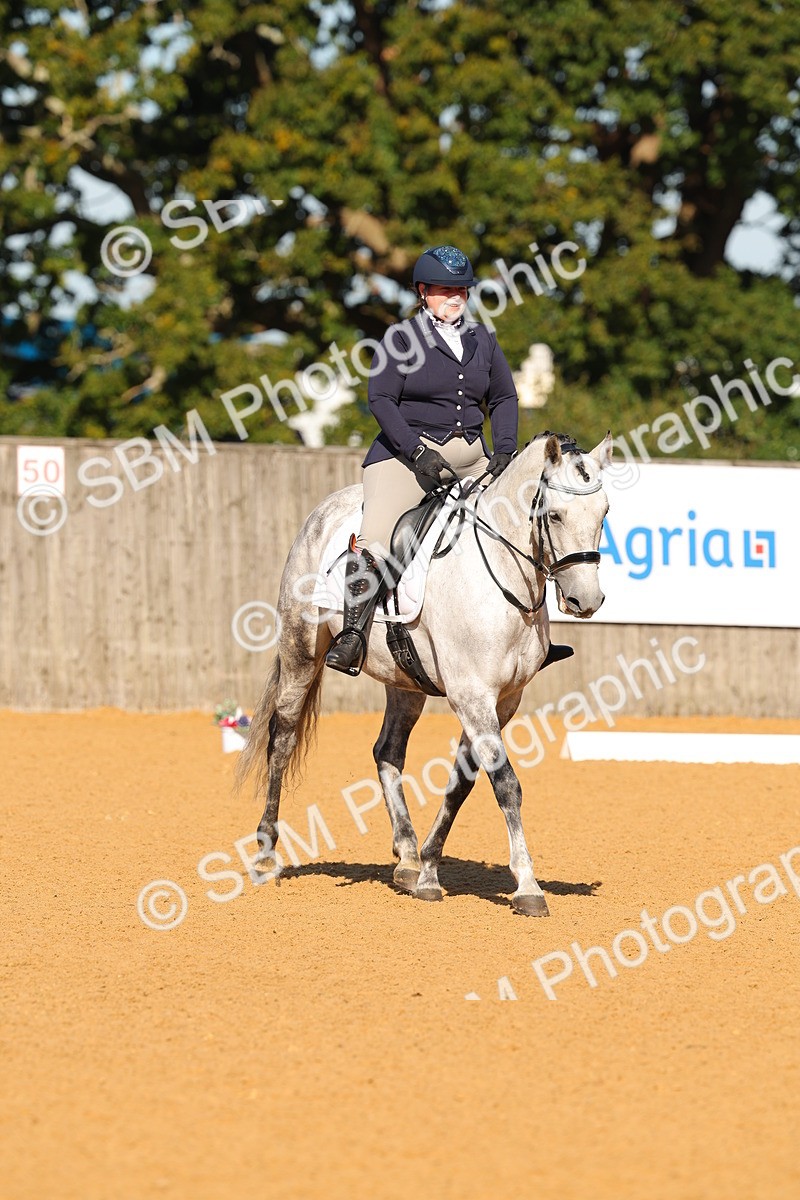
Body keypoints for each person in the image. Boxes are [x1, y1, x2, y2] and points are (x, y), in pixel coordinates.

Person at [325, 244, 519, 675]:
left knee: (520, 522)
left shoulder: (483, 339)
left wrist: (505, 448)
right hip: (404, 455)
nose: (455, 297)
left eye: (462, 290)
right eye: (445, 289)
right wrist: (415, 451)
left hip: (472, 455)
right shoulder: (401, 339)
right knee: (376, 536)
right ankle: (352, 637)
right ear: (422, 291)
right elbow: (380, 399)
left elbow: (503, 396)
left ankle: (528, 639)